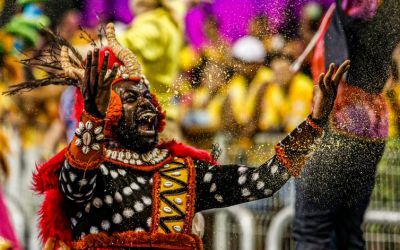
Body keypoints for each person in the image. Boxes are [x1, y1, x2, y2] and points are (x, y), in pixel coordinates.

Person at [5, 23, 349, 249]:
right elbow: (74, 184)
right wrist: (92, 119)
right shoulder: (93, 170)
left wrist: (315, 122)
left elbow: (264, 180)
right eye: (129, 97)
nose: (145, 104)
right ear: (106, 108)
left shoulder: (184, 169)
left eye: (146, 96)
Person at [293, 1, 400, 249]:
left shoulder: (365, 6)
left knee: (312, 232)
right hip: (373, 124)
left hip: (338, 120)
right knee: (347, 233)